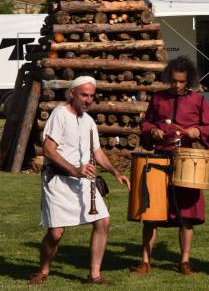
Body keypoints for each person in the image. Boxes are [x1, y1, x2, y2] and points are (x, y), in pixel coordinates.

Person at [28, 76, 131, 286]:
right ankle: (43, 270)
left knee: (103, 221)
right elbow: (48, 150)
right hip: (57, 180)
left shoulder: (89, 121)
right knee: (56, 233)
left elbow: (97, 151)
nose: (88, 100)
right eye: (84, 95)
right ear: (71, 94)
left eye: (91, 96)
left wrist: (114, 172)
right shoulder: (59, 115)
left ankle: (94, 275)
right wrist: (75, 170)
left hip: (84, 181)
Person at [133, 56, 209, 276]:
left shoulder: (198, 101)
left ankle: (184, 261)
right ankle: (145, 261)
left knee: (187, 214)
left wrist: (198, 132)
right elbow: (146, 123)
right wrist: (152, 131)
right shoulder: (158, 99)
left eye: (182, 81)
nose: (177, 85)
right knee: (151, 212)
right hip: (160, 159)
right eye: (173, 81)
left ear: (188, 80)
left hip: (187, 160)